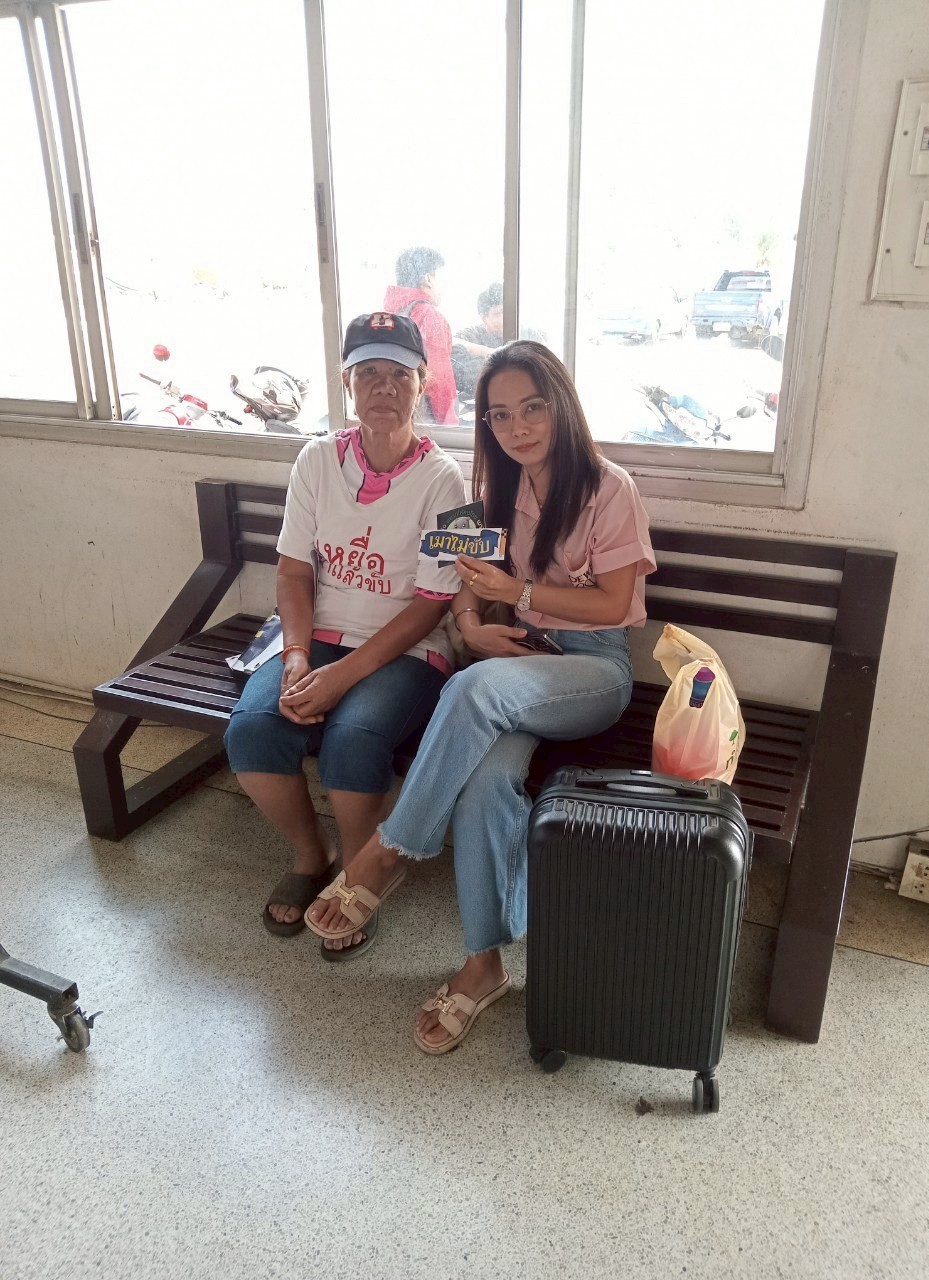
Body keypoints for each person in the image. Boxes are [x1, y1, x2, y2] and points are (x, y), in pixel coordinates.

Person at [305, 340, 656, 1048]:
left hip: (592, 671)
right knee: (486, 783)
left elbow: (615, 602)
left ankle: (388, 849)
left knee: (472, 688)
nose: (517, 427)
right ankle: (483, 964)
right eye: (499, 415)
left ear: (561, 405)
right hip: (515, 661)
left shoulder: (608, 487)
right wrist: (471, 624)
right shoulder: (495, 487)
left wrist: (518, 594)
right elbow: (464, 579)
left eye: (532, 408)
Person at [223, 312, 467, 948]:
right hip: (319, 635)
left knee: (353, 739)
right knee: (253, 728)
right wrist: (297, 656)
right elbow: (293, 571)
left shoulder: (445, 478)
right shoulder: (316, 459)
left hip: (408, 647)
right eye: (369, 373)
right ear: (346, 382)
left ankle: (362, 875)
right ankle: (313, 856)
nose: (384, 387)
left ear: (423, 383)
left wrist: (339, 679)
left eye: (400, 375)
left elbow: (433, 603)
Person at [383, 247, 458, 425]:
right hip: (422, 422)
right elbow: (439, 382)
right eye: (441, 278)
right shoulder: (428, 316)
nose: (445, 286)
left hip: (391, 416)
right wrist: (451, 426)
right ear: (428, 279)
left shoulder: (386, 315)